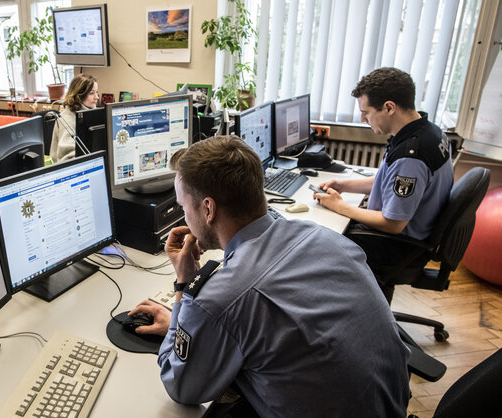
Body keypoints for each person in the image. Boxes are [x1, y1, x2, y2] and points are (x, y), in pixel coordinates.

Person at [129, 136, 410, 417]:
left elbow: (181, 387)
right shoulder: (326, 237)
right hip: (391, 403)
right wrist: (192, 328)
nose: (184, 218)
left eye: (183, 207)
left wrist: (184, 287)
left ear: (208, 209)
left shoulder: (221, 298)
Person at [313, 67, 453, 298]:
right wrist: (344, 185)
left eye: (366, 112)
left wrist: (340, 206)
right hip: (415, 236)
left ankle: (356, 315)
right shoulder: (428, 131)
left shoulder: (411, 155)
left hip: (398, 244)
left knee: (319, 239)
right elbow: (386, 180)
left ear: (389, 107)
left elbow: (393, 223)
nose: (362, 119)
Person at [49, 74, 99, 162]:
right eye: (91, 93)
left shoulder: (91, 112)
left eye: (97, 92)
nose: (97, 97)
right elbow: (67, 157)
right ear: (79, 95)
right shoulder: (67, 118)